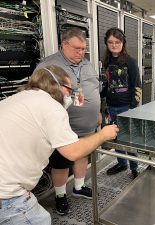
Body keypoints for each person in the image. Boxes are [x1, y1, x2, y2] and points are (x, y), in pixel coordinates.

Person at [0, 65, 118, 225]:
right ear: (57, 85)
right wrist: (103, 134)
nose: (70, 95)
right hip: (7, 194)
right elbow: (74, 152)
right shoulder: (51, 107)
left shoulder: (19, 98)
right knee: (40, 220)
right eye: (69, 89)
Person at [35, 27, 102, 215]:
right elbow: (40, 98)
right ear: (64, 45)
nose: (81, 53)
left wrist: (97, 112)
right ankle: (60, 195)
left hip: (88, 124)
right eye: (77, 48)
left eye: (83, 49)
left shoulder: (87, 64)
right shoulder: (48, 66)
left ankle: (79, 187)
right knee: (61, 163)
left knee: (82, 155)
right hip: (64, 127)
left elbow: (95, 88)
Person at [101, 27, 142, 179]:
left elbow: (137, 85)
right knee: (116, 137)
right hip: (112, 107)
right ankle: (122, 163)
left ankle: (134, 166)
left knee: (129, 139)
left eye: (117, 42)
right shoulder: (107, 61)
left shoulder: (130, 62)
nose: (114, 45)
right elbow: (107, 84)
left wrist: (133, 107)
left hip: (127, 107)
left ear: (123, 43)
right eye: (110, 42)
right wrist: (100, 97)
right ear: (106, 43)